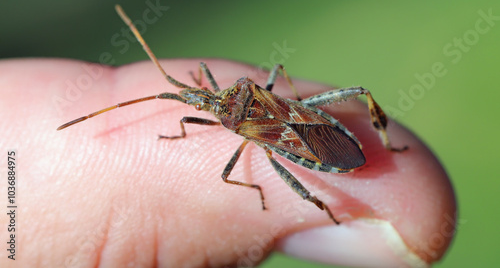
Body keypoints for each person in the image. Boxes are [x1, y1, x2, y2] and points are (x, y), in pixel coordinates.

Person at [1, 58, 456, 267]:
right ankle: (374, 162)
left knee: (234, 173)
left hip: (295, 136)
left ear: (207, 98)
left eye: (195, 94)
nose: (192, 98)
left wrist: (254, 184)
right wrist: (293, 101)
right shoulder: (240, 92)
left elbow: (226, 171)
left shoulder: (234, 119)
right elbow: (275, 70)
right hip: (310, 124)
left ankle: (336, 208)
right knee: (355, 90)